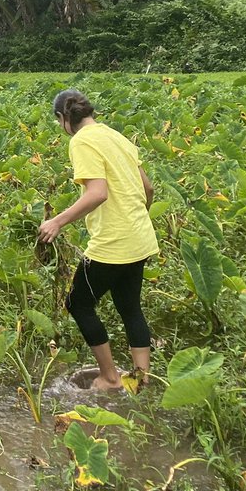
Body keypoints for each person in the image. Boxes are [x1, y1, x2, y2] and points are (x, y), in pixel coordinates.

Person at [38, 89, 158, 391]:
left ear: (63, 118)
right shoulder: (117, 137)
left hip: (113, 243)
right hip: (140, 238)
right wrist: (134, 220)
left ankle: (109, 378)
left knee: (78, 303)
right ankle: (141, 380)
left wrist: (57, 221)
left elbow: (98, 193)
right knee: (130, 306)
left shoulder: (81, 141)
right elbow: (149, 188)